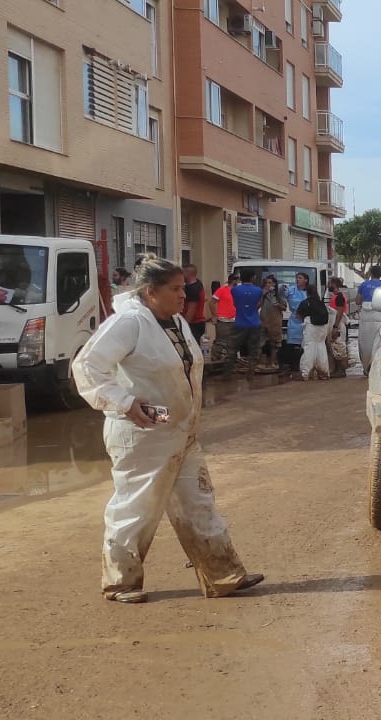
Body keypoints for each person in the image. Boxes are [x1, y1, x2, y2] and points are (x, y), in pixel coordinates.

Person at [71, 254, 264, 604]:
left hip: (179, 432)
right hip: (143, 433)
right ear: (149, 292)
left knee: (199, 503)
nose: (183, 295)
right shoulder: (128, 323)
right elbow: (87, 367)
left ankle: (223, 575)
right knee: (136, 508)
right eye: (174, 289)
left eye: (182, 288)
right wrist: (125, 403)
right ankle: (121, 583)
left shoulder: (174, 322)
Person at [230, 269, 265, 374]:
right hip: (254, 323)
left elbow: (235, 304)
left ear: (241, 278)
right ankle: (251, 371)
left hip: (239, 323)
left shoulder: (235, 290)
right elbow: (258, 305)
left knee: (233, 348)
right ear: (253, 277)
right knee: (253, 349)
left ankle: (228, 373)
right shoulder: (259, 291)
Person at [295, 287, 331, 380]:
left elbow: (298, 315)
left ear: (307, 293)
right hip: (323, 328)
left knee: (309, 348)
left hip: (311, 326)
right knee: (321, 347)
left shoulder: (306, 302)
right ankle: (324, 372)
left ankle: (305, 373)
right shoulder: (321, 303)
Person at [210, 273, 240, 372]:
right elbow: (212, 302)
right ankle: (214, 363)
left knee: (232, 344)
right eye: (237, 280)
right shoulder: (222, 290)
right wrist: (214, 316)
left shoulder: (237, 291)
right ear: (233, 281)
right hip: (223, 320)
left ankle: (230, 365)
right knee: (220, 342)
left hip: (234, 320)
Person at [257, 275, 285, 373]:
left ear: (274, 284)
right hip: (263, 321)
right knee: (260, 343)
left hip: (275, 322)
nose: (268, 285)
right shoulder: (262, 294)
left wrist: (277, 304)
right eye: (266, 283)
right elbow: (257, 306)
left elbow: (284, 307)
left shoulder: (279, 295)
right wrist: (263, 295)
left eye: (270, 283)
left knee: (275, 344)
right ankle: (261, 362)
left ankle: (273, 362)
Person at [325, 277, 350, 378]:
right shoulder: (335, 296)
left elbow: (339, 313)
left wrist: (335, 327)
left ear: (334, 284)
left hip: (338, 324)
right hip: (335, 323)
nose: (328, 285)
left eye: (329, 283)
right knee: (334, 347)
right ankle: (336, 369)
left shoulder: (339, 296)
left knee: (339, 346)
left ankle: (341, 370)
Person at [181, 264, 208, 345]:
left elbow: (191, 310)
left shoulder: (192, 289)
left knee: (191, 346)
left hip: (194, 323)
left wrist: (184, 325)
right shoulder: (198, 283)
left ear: (187, 273)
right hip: (199, 322)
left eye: (182, 273)